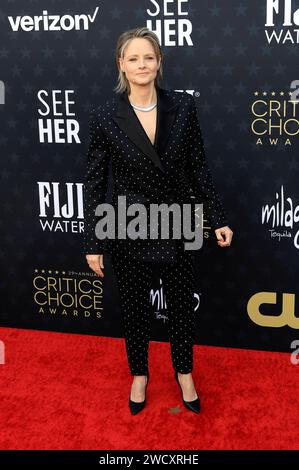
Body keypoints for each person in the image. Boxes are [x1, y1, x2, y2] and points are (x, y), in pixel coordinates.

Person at [83, 27, 233, 415]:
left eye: (148, 57)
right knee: (134, 307)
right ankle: (139, 375)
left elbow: (198, 165)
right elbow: (95, 181)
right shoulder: (103, 115)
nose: (141, 64)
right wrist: (93, 242)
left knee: (182, 304)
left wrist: (216, 216)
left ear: (160, 61)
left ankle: (184, 372)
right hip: (128, 220)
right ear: (121, 65)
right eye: (132, 58)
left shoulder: (183, 106)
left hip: (179, 217)